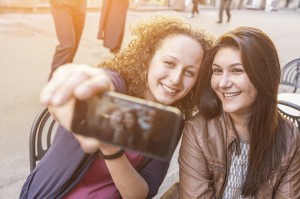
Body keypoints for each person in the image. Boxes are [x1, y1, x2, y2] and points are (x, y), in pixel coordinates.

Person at [20, 16, 214, 199]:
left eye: (189, 72)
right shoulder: (117, 86)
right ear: (148, 60)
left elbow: (142, 193)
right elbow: (100, 83)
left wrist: (111, 149)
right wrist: (79, 85)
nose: (175, 79)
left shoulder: (171, 121)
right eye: (169, 63)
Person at [179, 26, 300, 198]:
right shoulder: (198, 130)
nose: (222, 83)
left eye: (236, 70)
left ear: (264, 75)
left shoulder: (290, 137)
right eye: (217, 71)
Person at [49, 0, 86, 79]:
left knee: (74, 47)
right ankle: (53, 83)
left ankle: (63, 81)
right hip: (61, 5)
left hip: (80, 6)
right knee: (68, 45)